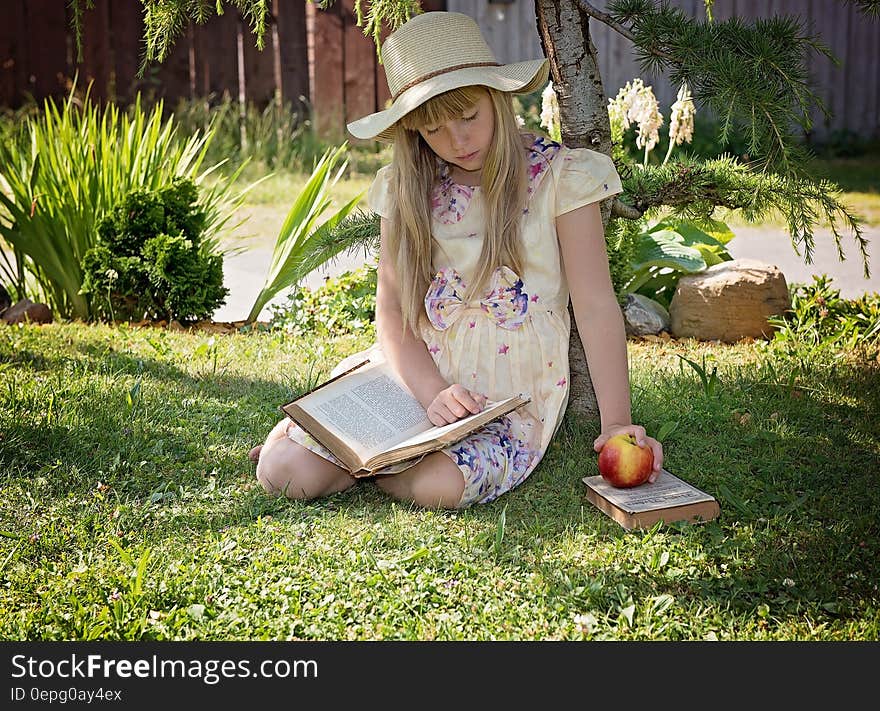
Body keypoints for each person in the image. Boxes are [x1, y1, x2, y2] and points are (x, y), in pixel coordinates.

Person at [248, 11, 663, 509]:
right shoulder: (408, 189)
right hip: (418, 378)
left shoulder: (561, 178)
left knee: (438, 486)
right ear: (413, 132)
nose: (458, 142)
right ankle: (333, 452)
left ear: (498, 98)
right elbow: (394, 317)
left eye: (469, 117)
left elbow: (596, 305)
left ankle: (367, 467)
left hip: (507, 399)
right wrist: (430, 394)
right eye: (434, 129)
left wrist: (617, 423)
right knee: (281, 476)